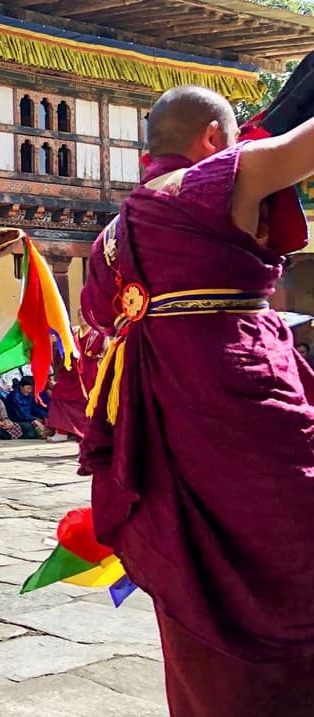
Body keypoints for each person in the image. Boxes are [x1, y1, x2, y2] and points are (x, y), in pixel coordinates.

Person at [78, 85, 314, 717]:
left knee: (192, 565)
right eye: (233, 139)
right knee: (293, 540)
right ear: (212, 139)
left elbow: (98, 315)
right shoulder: (214, 179)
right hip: (238, 385)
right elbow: (302, 146)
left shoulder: (114, 232)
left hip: (162, 409)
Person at [46, 312, 105, 443]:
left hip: (91, 371)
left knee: (87, 404)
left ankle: (87, 434)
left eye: (85, 315)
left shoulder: (98, 333)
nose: (82, 317)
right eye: (80, 315)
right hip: (73, 373)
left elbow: (106, 352)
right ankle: (61, 432)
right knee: (58, 394)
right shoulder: (73, 333)